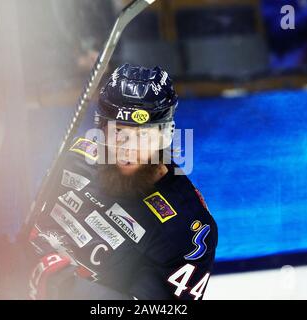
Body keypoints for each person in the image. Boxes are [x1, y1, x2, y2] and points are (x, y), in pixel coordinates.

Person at [23, 63, 218, 300]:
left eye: (143, 135)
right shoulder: (79, 156)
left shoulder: (189, 229)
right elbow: (33, 226)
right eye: (119, 132)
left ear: (165, 136)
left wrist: (64, 288)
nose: (128, 149)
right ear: (102, 130)